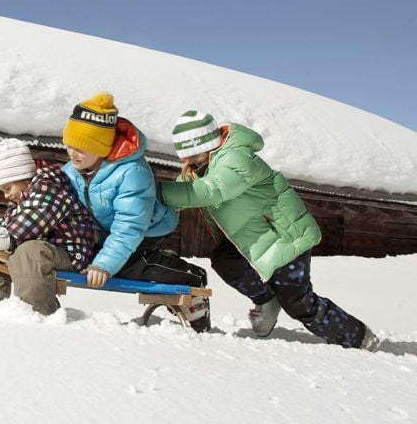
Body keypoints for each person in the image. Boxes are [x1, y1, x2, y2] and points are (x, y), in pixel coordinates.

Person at [158, 110, 380, 351]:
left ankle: (357, 338)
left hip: (285, 237)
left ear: (208, 144)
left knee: (299, 303)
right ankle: (266, 299)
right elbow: (183, 193)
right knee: (225, 259)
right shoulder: (203, 165)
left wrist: (161, 191)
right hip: (259, 237)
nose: (188, 161)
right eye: (185, 155)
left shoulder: (236, 159)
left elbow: (211, 191)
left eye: (192, 154)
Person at [61, 92, 211, 332]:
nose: (71, 153)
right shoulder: (73, 169)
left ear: (100, 147)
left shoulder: (132, 173)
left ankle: (190, 275)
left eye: (81, 147)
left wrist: (105, 265)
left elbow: (129, 227)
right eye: (69, 144)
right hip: (109, 229)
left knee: (127, 265)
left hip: (148, 228)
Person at [0, 138, 95, 315]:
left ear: (22, 176)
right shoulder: (24, 197)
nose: (6, 196)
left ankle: (38, 312)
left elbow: (33, 219)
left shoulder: (50, 186)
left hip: (71, 253)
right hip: (47, 250)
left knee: (28, 251)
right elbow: (7, 224)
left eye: (7, 188)